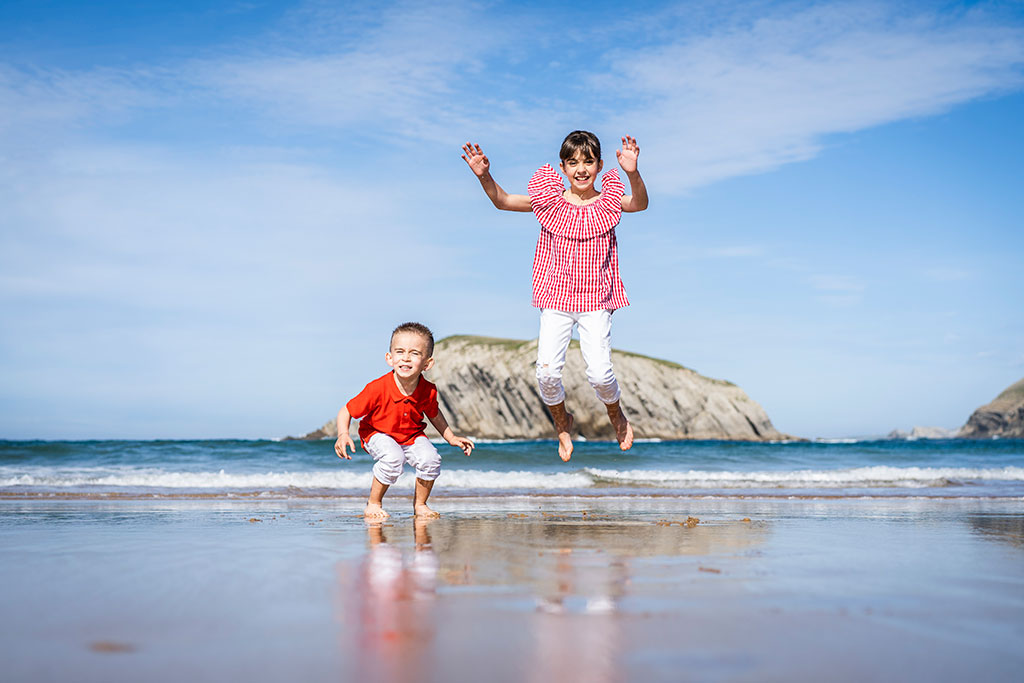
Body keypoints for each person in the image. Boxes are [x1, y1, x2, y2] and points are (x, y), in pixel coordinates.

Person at [461, 131, 649, 461]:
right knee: (546, 374)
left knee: (601, 375)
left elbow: (640, 203)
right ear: (562, 166)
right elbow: (503, 201)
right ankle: (562, 424)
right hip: (556, 300)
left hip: (595, 301)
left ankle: (616, 414)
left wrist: (632, 171)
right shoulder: (549, 202)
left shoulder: (607, 202)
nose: (581, 168)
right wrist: (484, 175)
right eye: (573, 162)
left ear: (600, 165)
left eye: (589, 162)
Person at [335, 322, 474, 518]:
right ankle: (373, 503)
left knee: (431, 460)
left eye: (415, 353)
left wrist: (450, 437)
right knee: (393, 458)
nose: (406, 358)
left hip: (411, 434)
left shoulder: (428, 390)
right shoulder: (377, 388)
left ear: (427, 363)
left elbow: (434, 414)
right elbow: (346, 410)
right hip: (376, 433)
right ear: (389, 358)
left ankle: (420, 505)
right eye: (400, 352)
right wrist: (343, 434)